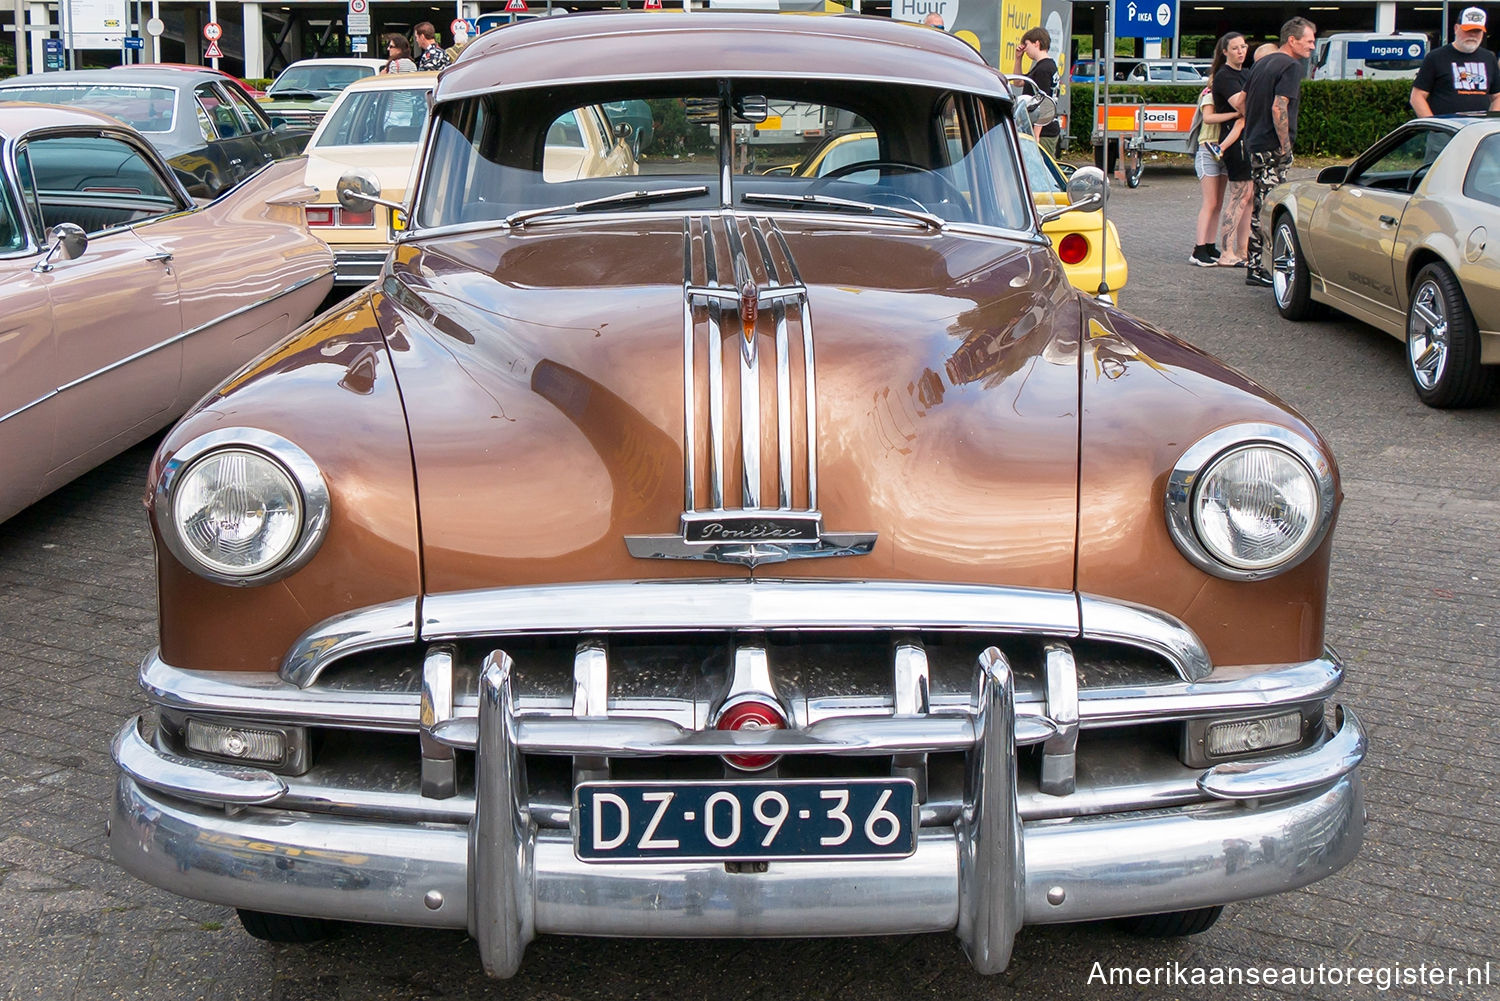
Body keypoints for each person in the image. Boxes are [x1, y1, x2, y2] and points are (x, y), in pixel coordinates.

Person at [1235, 17, 1316, 288]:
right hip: (1271, 148)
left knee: (1260, 202)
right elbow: (1279, 107)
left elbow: (1242, 101)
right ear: (1292, 40)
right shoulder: (1291, 66)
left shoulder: (1261, 63)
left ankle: (1255, 265)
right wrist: (1284, 144)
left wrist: (1254, 126)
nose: (1312, 47)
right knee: (1268, 207)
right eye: (1309, 41)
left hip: (1254, 143)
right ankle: (1258, 268)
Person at [1208, 32, 1252, 267]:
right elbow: (1242, 104)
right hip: (1237, 145)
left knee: (1250, 197)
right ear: (1224, 51)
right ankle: (1226, 251)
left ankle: (1243, 250)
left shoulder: (1246, 73)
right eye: (1235, 48)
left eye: (1243, 46)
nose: (1241, 51)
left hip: (1250, 139)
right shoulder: (1224, 77)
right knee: (1238, 196)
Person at [1411, 7, 1500, 117]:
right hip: (1444, 131)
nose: (1472, 35)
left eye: (1477, 31)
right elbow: (1417, 96)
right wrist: (1434, 125)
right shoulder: (1436, 57)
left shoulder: (1489, 58)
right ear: (1456, 28)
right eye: (1468, 30)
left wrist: (1490, 120)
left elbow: (1497, 96)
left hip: (1478, 131)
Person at [1014, 27, 1061, 158]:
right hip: (1047, 129)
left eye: (1027, 44)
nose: (1025, 48)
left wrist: (1036, 135)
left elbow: (1043, 102)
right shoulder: (1046, 66)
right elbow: (1018, 82)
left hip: (1044, 132)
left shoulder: (1043, 69)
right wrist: (1018, 59)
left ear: (1037, 43)